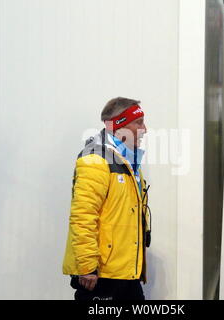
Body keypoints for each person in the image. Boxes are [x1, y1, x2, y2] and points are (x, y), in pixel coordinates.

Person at [63, 97, 151, 301]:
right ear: (119, 126)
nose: (144, 129)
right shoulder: (95, 160)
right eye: (138, 123)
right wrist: (87, 266)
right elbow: (82, 216)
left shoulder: (128, 161)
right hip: (101, 275)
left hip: (126, 272)